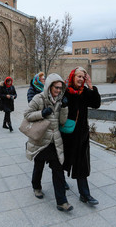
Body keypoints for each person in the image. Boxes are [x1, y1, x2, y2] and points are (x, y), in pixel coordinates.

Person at [25, 73, 72, 212]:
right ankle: (36, 187)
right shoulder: (38, 98)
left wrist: (64, 108)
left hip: (54, 141)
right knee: (39, 165)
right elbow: (27, 115)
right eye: (56, 87)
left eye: (60, 88)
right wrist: (41, 113)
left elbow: (62, 122)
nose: (58, 90)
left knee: (58, 170)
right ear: (49, 86)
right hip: (40, 140)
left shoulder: (60, 100)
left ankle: (62, 202)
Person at [61, 66, 101, 206]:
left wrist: (90, 86)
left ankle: (85, 194)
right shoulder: (64, 91)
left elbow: (96, 104)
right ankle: (61, 182)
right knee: (62, 161)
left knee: (81, 163)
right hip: (66, 134)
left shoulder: (85, 92)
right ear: (73, 77)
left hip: (81, 135)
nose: (80, 79)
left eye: (83, 77)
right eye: (78, 76)